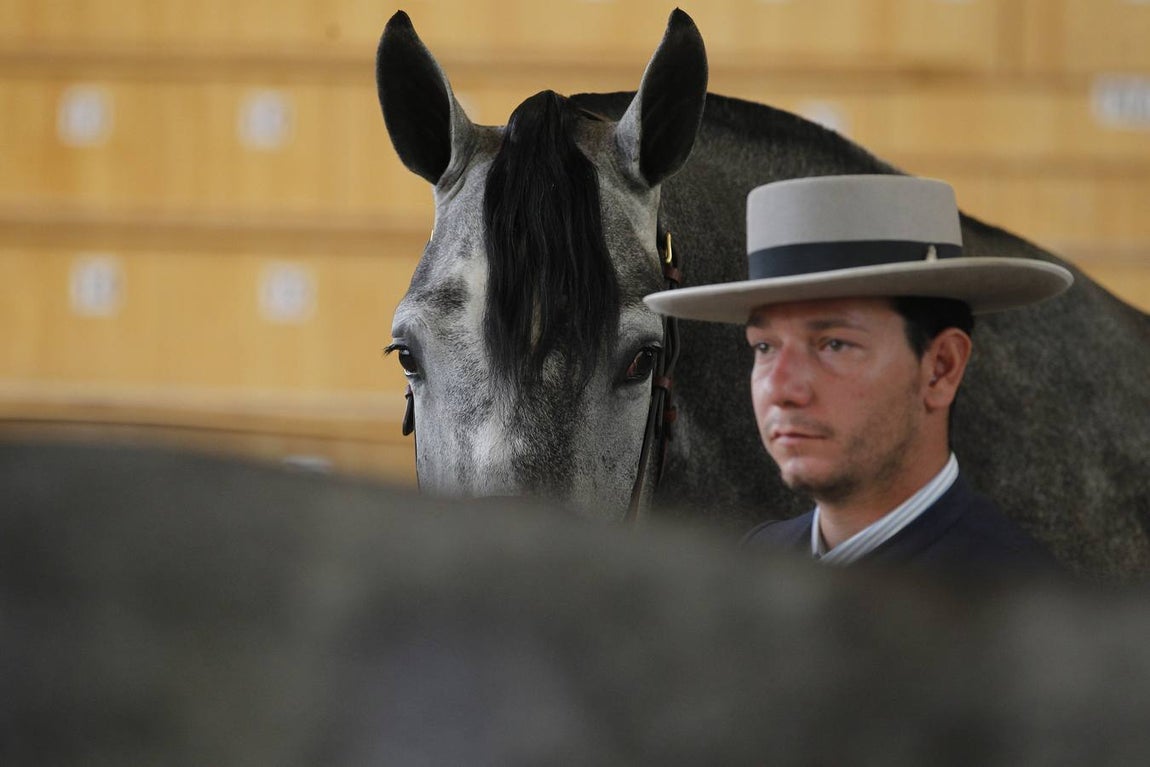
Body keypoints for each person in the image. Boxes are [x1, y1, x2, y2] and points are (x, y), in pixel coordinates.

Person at [644, 175, 1072, 575]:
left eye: (834, 344)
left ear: (941, 368)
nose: (780, 389)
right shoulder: (757, 566)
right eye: (764, 347)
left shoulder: (1026, 612)